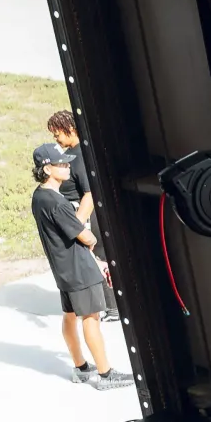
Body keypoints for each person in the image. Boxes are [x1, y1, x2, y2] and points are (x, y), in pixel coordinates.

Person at [30, 142, 128, 389]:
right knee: (91, 318)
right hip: (79, 269)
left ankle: (81, 367)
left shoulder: (39, 197)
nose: (67, 166)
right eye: (61, 164)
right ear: (47, 168)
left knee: (70, 315)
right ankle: (106, 375)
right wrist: (90, 236)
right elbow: (85, 237)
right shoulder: (58, 203)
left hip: (63, 269)